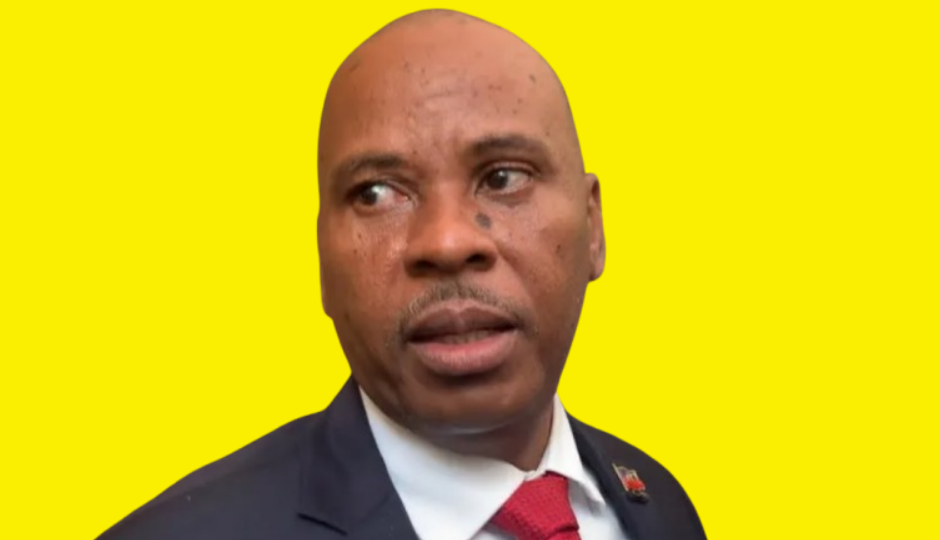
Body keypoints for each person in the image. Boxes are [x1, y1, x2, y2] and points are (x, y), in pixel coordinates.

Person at [98, 9, 707, 540]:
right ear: (321, 258)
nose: (447, 242)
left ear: (593, 226)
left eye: (503, 178)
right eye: (376, 193)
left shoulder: (658, 503)